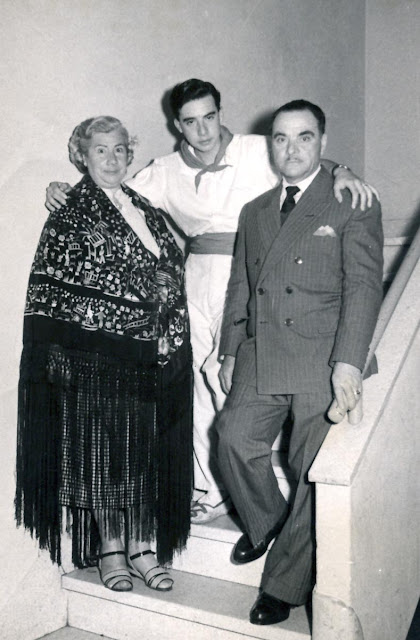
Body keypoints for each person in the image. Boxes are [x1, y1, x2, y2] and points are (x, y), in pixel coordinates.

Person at [45, 79, 378, 524]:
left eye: (209, 117)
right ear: (177, 125)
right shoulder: (164, 170)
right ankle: (212, 486)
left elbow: (305, 159)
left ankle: (250, 483)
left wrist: (344, 171)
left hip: (252, 274)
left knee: (229, 379)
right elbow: (115, 190)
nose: (202, 131)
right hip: (196, 276)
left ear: (221, 114)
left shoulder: (257, 148)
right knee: (200, 384)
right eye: (190, 122)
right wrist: (65, 188)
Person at [217, 100, 383, 625]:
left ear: (323, 142)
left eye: (304, 137)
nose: (291, 149)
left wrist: (349, 362)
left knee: (310, 470)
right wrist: (229, 350)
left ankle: (283, 585)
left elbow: (364, 286)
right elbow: (241, 285)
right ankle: (269, 520)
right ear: (271, 144)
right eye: (281, 138)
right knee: (232, 438)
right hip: (262, 352)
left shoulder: (350, 200)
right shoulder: (255, 211)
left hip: (323, 357)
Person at [15, 116, 193, 593]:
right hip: (98, 359)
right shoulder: (70, 210)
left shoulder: (144, 206)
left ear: (129, 155)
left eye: (119, 150)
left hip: (153, 356)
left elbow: (165, 273)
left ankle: (142, 548)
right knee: (103, 454)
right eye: (100, 150)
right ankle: (111, 551)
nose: (111, 159)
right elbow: (55, 286)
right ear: (82, 156)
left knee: (144, 451)